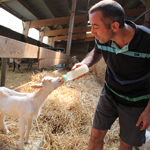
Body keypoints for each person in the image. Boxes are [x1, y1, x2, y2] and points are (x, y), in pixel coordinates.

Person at [72, 0, 150, 150]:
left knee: (126, 144)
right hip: (110, 93)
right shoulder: (102, 38)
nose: (92, 32)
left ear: (114, 26)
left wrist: (148, 111)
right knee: (95, 135)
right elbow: (96, 52)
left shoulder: (147, 41)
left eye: (95, 27)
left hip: (136, 100)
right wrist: (85, 63)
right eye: (91, 26)